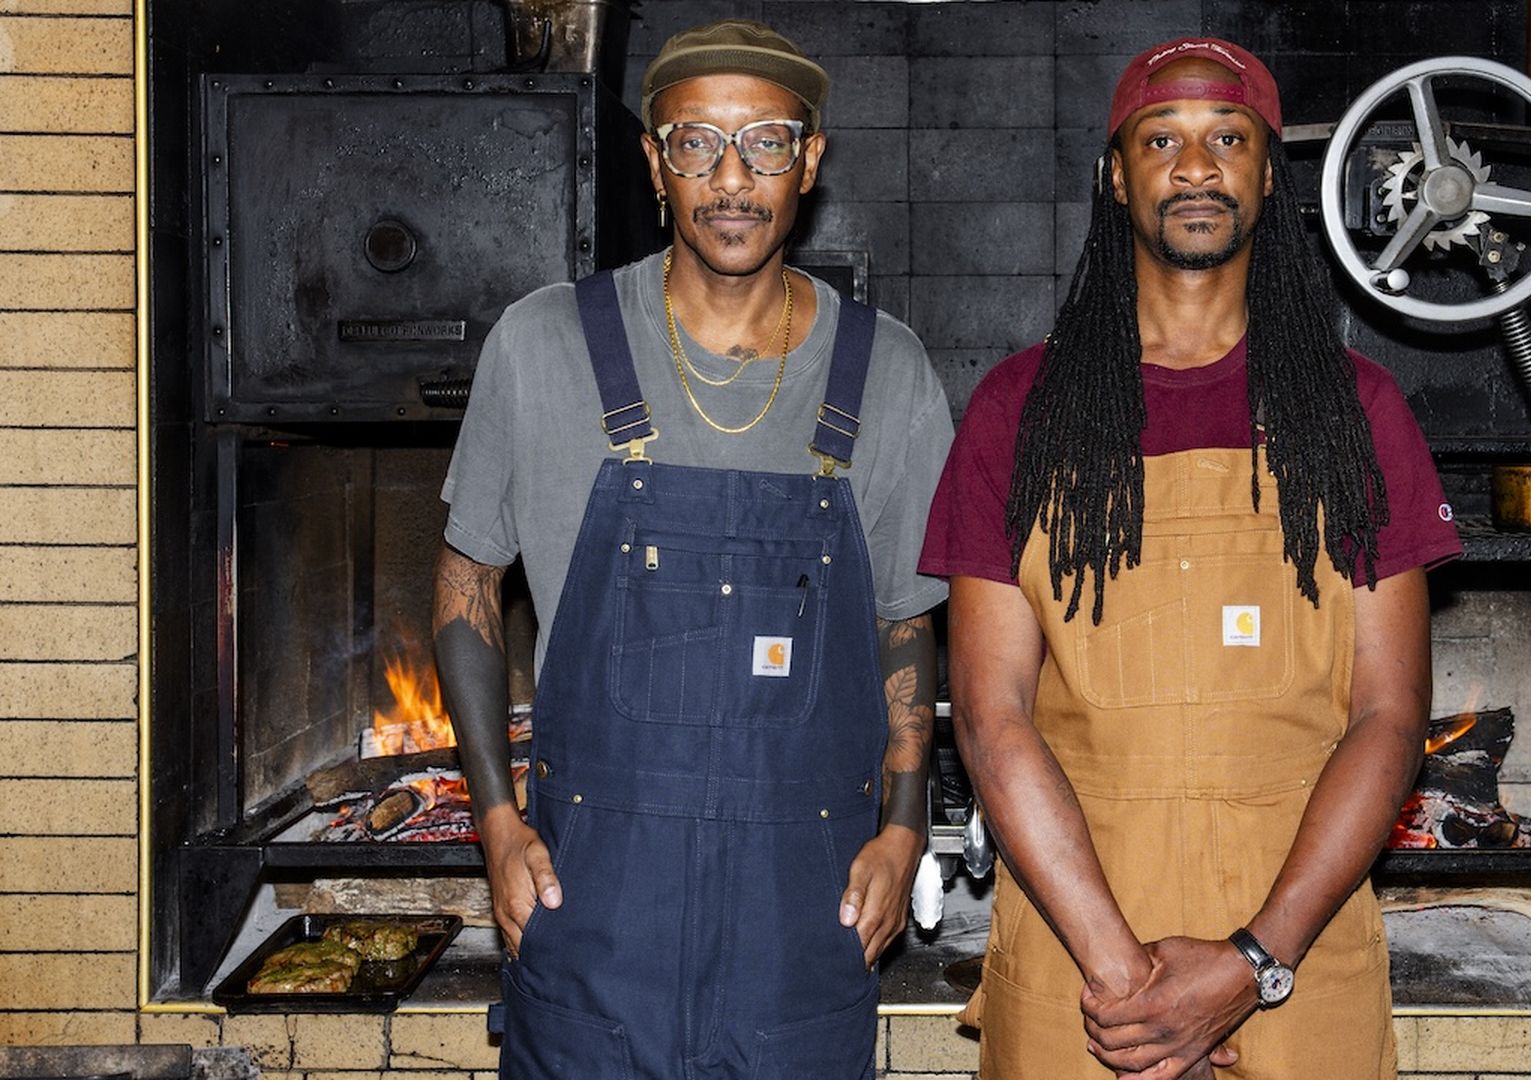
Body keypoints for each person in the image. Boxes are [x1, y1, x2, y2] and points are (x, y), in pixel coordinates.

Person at [920, 36, 1462, 1080]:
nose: (1197, 165)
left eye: (1229, 138)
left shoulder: (1356, 413)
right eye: (1161, 139)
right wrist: (1129, 983)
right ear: (1116, 177)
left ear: (1267, 172)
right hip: (1082, 978)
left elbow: (1389, 717)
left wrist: (1251, 961)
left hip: (1295, 968)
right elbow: (991, 722)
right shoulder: (1015, 412)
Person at [434, 19, 953, 1078]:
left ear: (810, 159)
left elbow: (907, 623)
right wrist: (495, 817)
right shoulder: (540, 346)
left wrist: (905, 828)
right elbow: (465, 582)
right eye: (695, 144)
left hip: (801, 932)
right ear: (653, 159)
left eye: (765, 143)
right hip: (590, 920)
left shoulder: (887, 372)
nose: (731, 179)